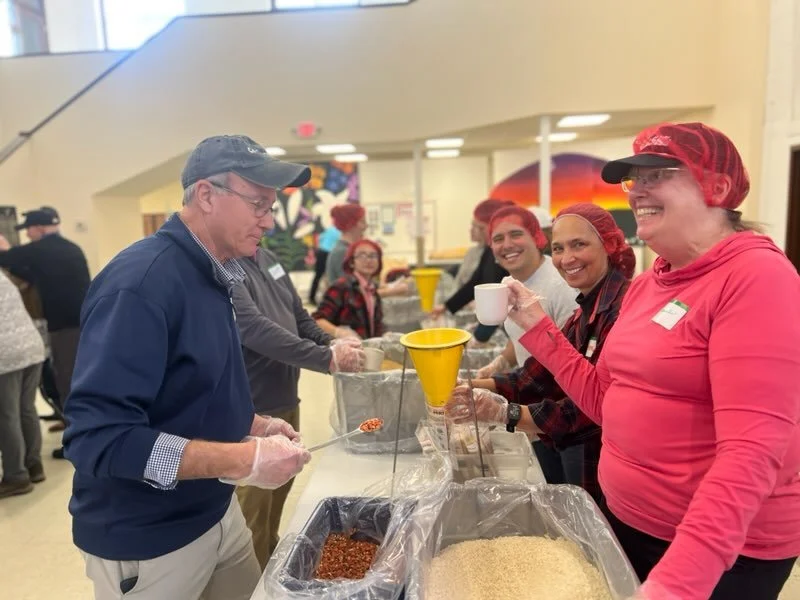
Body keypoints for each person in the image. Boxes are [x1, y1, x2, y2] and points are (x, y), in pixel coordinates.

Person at [497, 123, 800, 600]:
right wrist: (538, 327)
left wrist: (677, 583)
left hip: (720, 552)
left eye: (658, 175)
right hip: (632, 525)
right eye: (634, 179)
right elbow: (604, 400)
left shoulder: (756, 277)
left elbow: (752, 452)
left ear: (718, 187)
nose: (638, 190)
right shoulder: (648, 286)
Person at [63, 135, 314, 600]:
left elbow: (188, 388)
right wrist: (244, 460)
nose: (268, 220)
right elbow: (100, 438)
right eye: (258, 204)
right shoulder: (142, 284)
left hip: (216, 511)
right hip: (149, 536)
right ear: (206, 195)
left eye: (272, 207)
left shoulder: (216, 273)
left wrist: (251, 424)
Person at [449, 203, 636, 502]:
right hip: (567, 435)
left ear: (609, 245)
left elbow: (589, 409)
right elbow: (543, 372)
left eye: (579, 244)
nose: (567, 258)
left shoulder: (621, 310)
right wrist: (472, 386)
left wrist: (506, 412)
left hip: (602, 456)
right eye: (559, 248)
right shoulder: (585, 309)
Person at [232, 241, 365, 569]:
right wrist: (325, 358)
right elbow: (253, 329)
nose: (266, 221)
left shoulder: (270, 259)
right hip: (254, 407)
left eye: (269, 214)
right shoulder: (227, 266)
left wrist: (331, 342)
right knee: (253, 513)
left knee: (278, 495)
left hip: (287, 399)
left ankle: (269, 564)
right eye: (258, 214)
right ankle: (254, 582)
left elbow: (299, 317)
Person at [0, 206, 91, 458]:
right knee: (74, 382)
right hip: (81, 325)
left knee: (68, 385)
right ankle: (77, 432)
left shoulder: (42, 249)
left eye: (28, 230)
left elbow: (7, 259)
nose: (27, 235)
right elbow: (34, 274)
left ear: (39, 228)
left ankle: (78, 444)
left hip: (66, 330)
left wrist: (4, 247)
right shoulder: (69, 248)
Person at [0, 270, 46, 498]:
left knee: (6, 415)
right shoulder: (2, 276)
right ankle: (33, 465)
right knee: (26, 408)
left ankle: (16, 476)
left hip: (6, 354)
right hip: (30, 346)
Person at [430, 199, 513, 323]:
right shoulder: (489, 251)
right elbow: (475, 281)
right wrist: (447, 306)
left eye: (481, 228)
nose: (476, 231)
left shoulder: (507, 255)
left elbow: (497, 298)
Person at [314, 239, 385, 339]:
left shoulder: (372, 289)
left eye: (373, 255)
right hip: (344, 347)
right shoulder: (341, 286)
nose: (368, 260)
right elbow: (317, 320)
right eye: (362, 255)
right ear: (351, 262)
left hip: (365, 346)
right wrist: (338, 332)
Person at [325, 204, 366, 284]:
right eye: (362, 222)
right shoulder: (342, 252)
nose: (365, 226)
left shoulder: (347, 249)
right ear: (351, 224)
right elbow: (352, 287)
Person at [308, 224, 340, 304]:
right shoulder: (341, 232)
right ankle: (331, 299)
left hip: (321, 252)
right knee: (331, 276)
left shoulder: (329, 229)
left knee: (317, 276)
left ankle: (311, 297)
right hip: (330, 254)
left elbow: (320, 238)